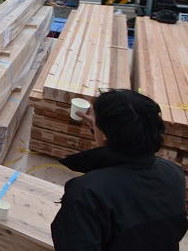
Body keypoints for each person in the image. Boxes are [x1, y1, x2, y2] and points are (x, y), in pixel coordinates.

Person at [51, 89, 188, 251]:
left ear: (106, 136)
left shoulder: (87, 193)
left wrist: (103, 133)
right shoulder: (173, 173)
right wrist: (100, 131)